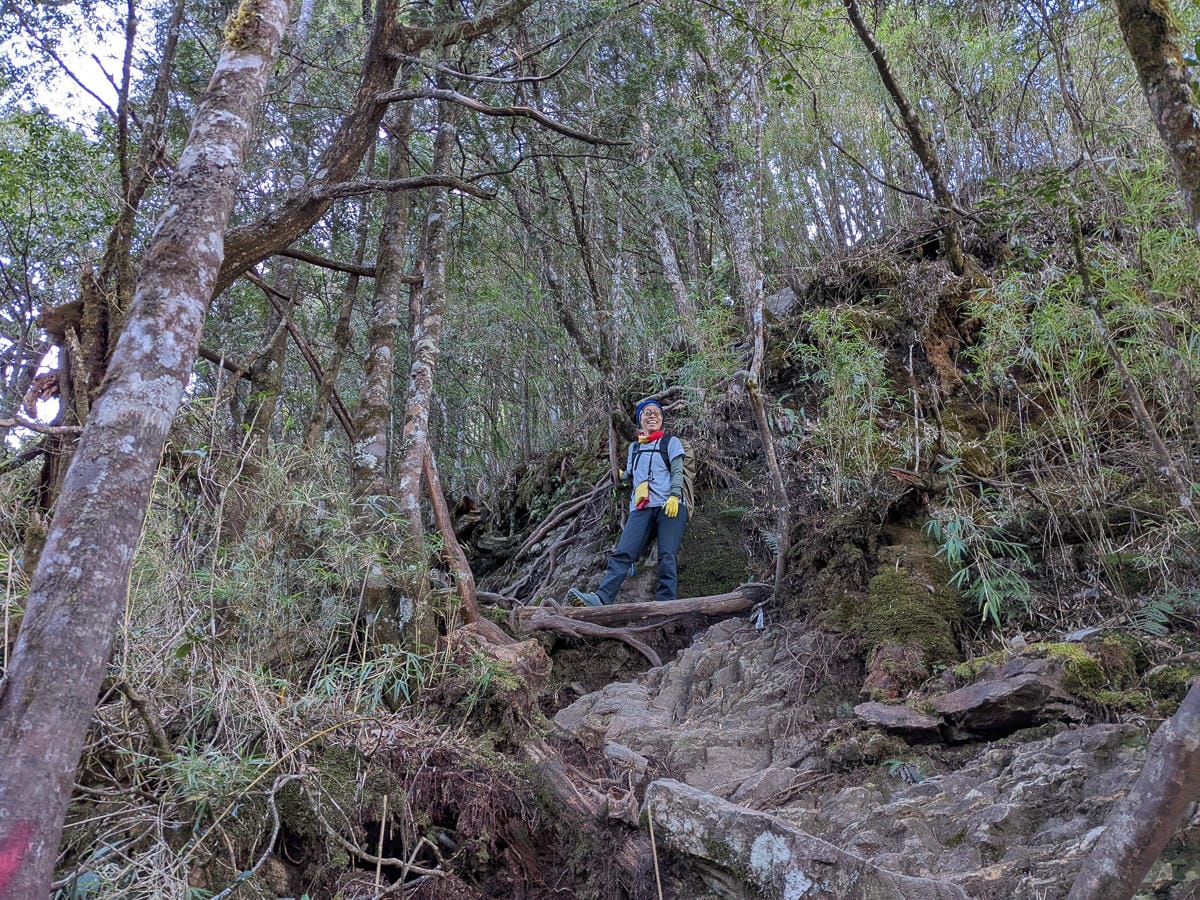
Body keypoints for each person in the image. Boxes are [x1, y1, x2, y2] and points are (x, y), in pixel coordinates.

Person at [569, 399, 688, 606]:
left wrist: (674, 496)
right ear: (639, 420)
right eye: (647, 413)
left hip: (669, 505)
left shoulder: (671, 442)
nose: (652, 416)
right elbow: (630, 475)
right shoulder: (634, 448)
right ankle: (601, 598)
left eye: (656, 413)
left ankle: (666, 604)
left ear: (662, 419)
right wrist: (619, 475)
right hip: (641, 507)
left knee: (667, 555)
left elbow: (678, 471)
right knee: (623, 552)